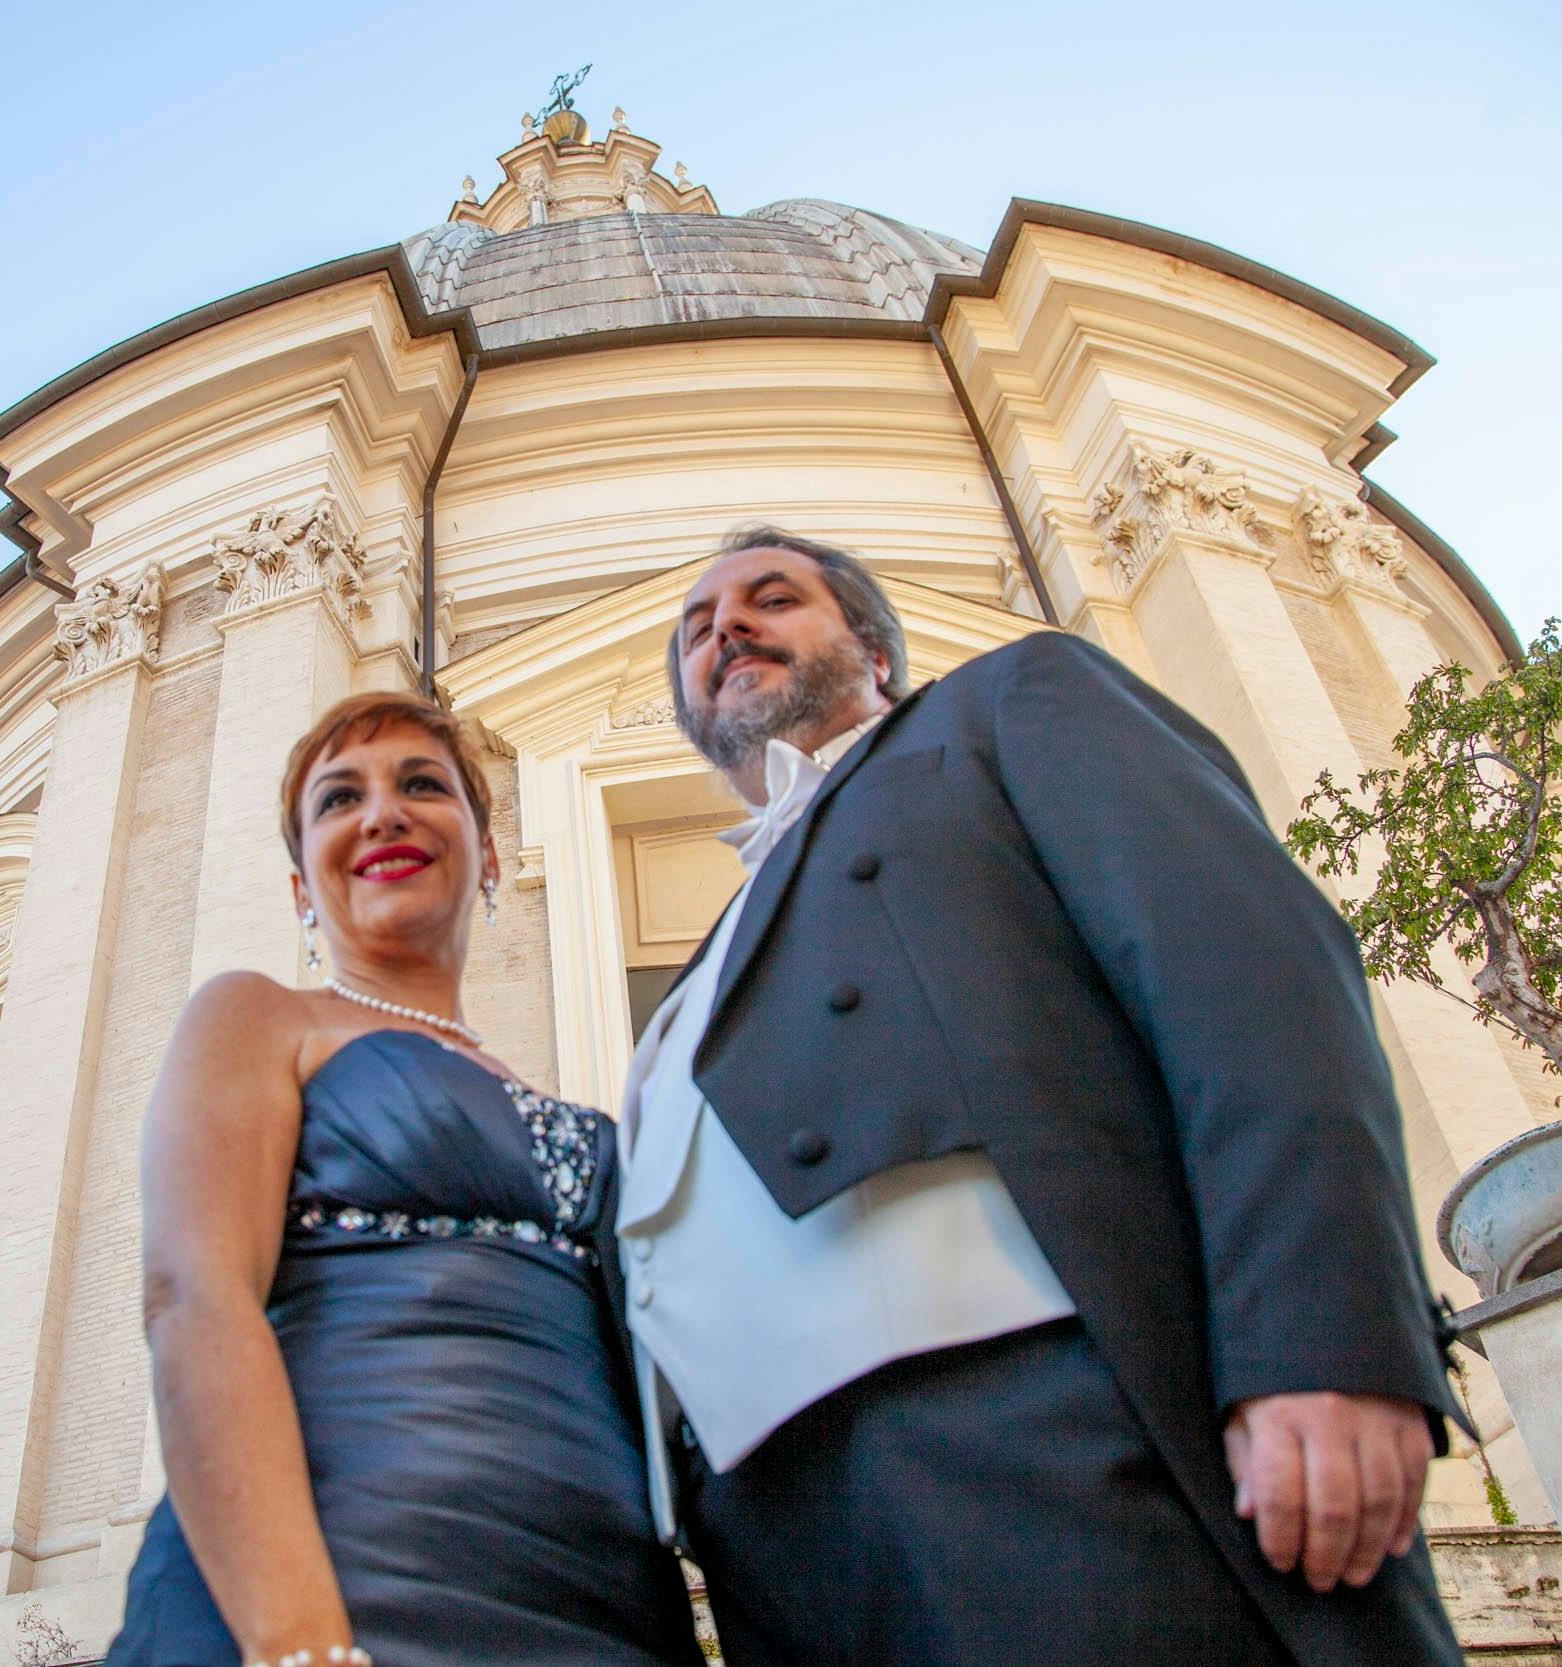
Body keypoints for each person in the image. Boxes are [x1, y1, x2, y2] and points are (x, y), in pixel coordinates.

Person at [619, 525, 1466, 1664]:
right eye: (697, 628)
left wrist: (1322, 1337)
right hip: (779, 1540)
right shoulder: (704, 958)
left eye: (773, 599)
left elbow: (1244, 969)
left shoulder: (1006, 704)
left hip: (1056, 1438)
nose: (726, 627)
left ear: (874, 650)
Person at [108, 692, 701, 1667]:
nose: (382, 811)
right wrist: (300, 1644)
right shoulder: (260, 1018)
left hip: (600, 1595)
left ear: (491, 853)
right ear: (302, 884)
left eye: (421, 784)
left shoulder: (566, 1108)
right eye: (339, 798)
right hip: (348, 1576)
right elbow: (194, 1294)